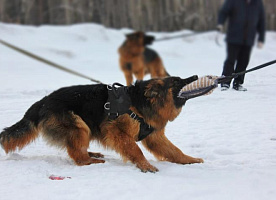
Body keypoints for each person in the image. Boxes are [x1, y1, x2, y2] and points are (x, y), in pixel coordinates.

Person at [217, 0, 266, 91]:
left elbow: (261, 20)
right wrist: (220, 23)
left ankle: (238, 83)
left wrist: (261, 38)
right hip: (234, 36)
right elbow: (224, 12)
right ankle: (225, 82)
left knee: (243, 61)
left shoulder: (257, 3)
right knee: (230, 60)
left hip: (249, 38)